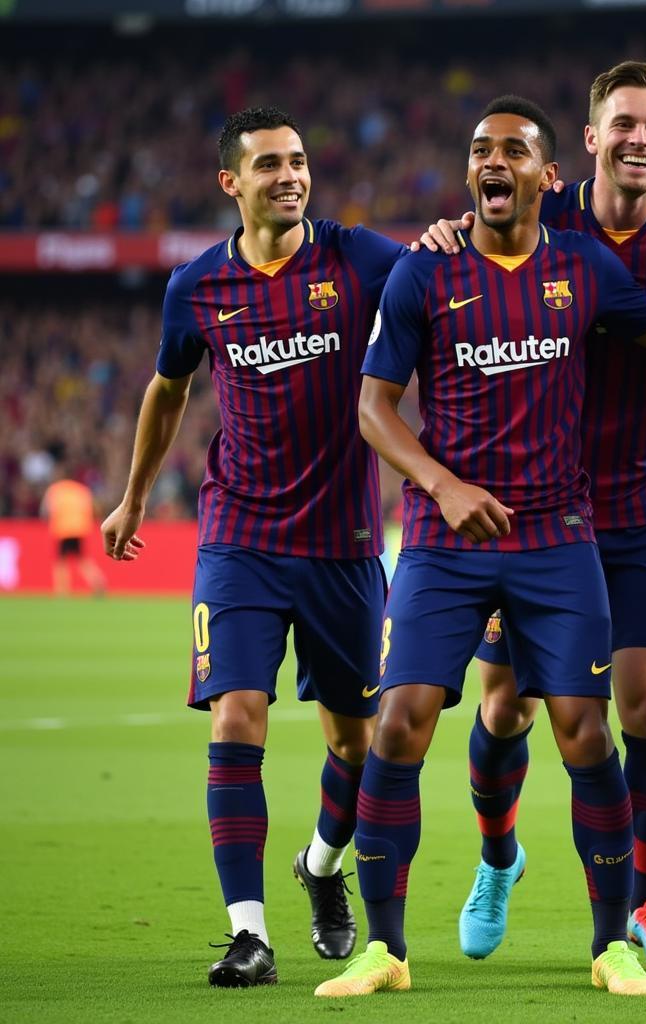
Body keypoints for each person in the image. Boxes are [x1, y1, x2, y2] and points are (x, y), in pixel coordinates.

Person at [313, 95, 646, 1000]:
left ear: (546, 177)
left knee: (586, 727)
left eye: (515, 149)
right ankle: (386, 951)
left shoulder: (582, 266)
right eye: (481, 147)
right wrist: (441, 484)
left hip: (561, 536)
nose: (494, 160)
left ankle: (614, 945)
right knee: (401, 722)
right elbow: (372, 408)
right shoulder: (421, 273)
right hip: (445, 538)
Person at [101, 106, 407, 987]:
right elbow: (167, 392)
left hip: (344, 542)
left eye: (300, 161)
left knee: (355, 743)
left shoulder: (359, 259)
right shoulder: (196, 287)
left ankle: (319, 868)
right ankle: (248, 935)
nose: (290, 175)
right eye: (269, 163)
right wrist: (130, 498)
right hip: (238, 536)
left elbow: (447, 281)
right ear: (232, 182)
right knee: (237, 715)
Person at [41, 469, 106, 596]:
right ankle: (98, 582)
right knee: (82, 559)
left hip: (63, 530)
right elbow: (94, 508)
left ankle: (62, 590)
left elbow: (46, 510)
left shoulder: (55, 490)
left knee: (61, 561)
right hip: (79, 529)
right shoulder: (82, 490)